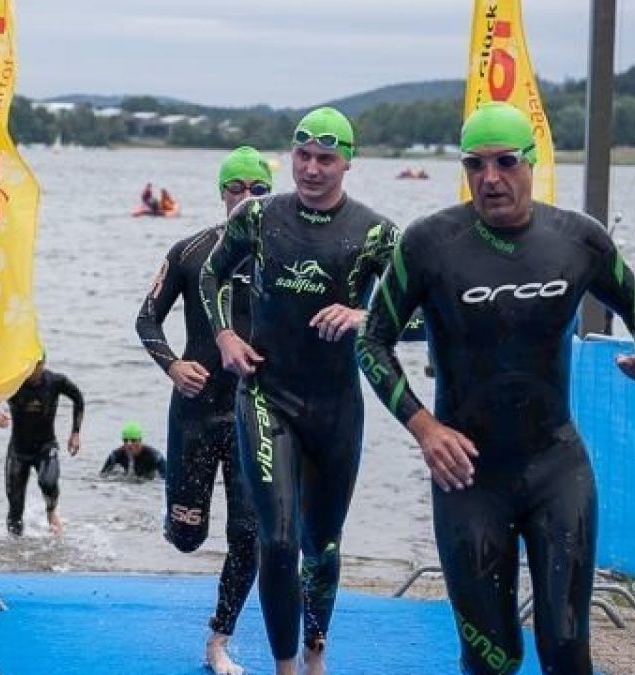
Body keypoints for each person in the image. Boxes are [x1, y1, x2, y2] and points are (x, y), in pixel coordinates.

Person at [355, 101, 635, 675]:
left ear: (530, 163)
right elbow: (371, 341)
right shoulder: (428, 244)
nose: (490, 178)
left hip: (557, 467)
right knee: (491, 656)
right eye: (475, 165)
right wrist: (424, 428)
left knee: (568, 649)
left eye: (504, 162)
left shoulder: (579, 240)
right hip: (469, 477)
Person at [199, 107, 397, 675]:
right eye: (302, 155)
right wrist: (225, 336)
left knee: (323, 545)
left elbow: (426, 317)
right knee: (278, 541)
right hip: (266, 394)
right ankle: (286, 668)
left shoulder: (377, 233)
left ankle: (315, 652)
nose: (311, 169)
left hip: (336, 406)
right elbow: (212, 274)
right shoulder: (259, 218)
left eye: (325, 158)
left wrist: (364, 316)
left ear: (348, 162)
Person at [135, 145, 272, 675]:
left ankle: (218, 641)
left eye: (257, 190)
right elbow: (146, 319)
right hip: (195, 407)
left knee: (247, 534)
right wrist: (172, 365)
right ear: (221, 193)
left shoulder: (283, 257)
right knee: (189, 538)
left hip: (252, 412)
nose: (245, 199)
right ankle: (176, 519)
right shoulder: (191, 250)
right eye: (236, 188)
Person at [0, 357, 84, 536]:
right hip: (18, 451)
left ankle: (51, 511)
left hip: (45, 447)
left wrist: (75, 433)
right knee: (15, 511)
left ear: (42, 364)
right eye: (27, 366)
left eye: (35, 367)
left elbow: (78, 398)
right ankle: (14, 553)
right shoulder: (13, 383)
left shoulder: (55, 382)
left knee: (48, 482)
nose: (30, 371)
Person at [100, 421, 166, 480]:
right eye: (126, 440)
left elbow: (167, 478)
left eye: (133, 440)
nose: (129, 444)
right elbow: (102, 476)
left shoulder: (155, 457)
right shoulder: (115, 455)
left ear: (140, 441)